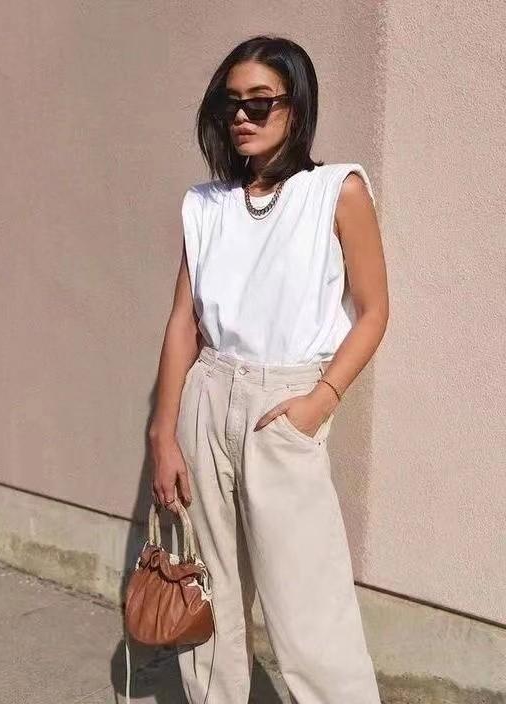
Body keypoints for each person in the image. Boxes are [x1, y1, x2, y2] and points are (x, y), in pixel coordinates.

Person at [149, 34, 388, 704]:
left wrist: (320, 400)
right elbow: (183, 321)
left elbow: (374, 310)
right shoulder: (206, 205)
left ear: (296, 107)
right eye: (231, 104)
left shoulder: (335, 191)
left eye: (260, 102)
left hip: (284, 405)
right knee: (208, 599)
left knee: (309, 609)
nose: (242, 117)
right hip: (206, 397)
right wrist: (163, 432)